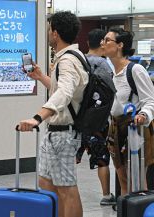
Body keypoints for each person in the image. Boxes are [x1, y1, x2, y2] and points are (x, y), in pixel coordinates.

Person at [18, 11, 87, 217]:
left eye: (49, 30)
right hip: (55, 133)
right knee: (47, 184)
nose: (48, 34)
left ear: (55, 33)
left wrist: (37, 117)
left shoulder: (67, 61)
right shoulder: (68, 58)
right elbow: (63, 91)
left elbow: (65, 94)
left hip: (64, 134)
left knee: (66, 189)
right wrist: (41, 77)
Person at [102, 27, 154, 196]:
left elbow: (150, 100)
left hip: (136, 129)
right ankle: (124, 210)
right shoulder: (110, 73)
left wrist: (143, 115)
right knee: (122, 177)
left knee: (137, 180)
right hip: (116, 129)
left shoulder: (135, 70)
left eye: (107, 40)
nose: (103, 43)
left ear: (120, 45)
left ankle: (139, 210)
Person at [75, 28, 116, 206]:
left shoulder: (79, 61)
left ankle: (66, 190)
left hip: (77, 118)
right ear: (101, 43)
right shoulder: (105, 65)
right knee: (102, 158)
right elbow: (110, 94)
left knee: (71, 157)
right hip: (98, 121)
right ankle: (106, 195)